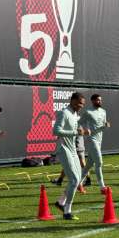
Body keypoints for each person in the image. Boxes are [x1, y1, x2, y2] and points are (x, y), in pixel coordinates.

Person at [53, 92, 88, 220]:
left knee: (79, 179)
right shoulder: (64, 113)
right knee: (74, 180)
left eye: (83, 104)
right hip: (63, 149)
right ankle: (67, 211)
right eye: (79, 103)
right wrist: (75, 132)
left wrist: (83, 132)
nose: (81, 106)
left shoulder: (74, 114)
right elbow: (56, 131)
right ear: (72, 100)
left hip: (73, 149)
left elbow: (76, 131)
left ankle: (60, 202)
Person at [79, 94, 110, 195]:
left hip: (99, 140)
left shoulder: (103, 111)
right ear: (92, 101)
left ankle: (78, 184)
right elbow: (79, 123)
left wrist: (106, 125)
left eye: (100, 100)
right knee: (99, 162)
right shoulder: (88, 112)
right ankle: (102, 187)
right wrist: (83, 130)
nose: (100, 102)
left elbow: (104, 125)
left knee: (88, 166)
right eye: (97, 100)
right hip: (92, 140)